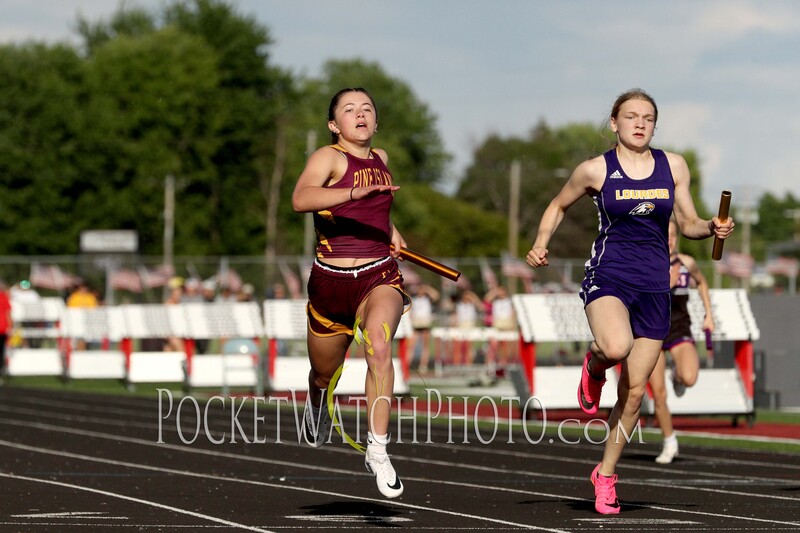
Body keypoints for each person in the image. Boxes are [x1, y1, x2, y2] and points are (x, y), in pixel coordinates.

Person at [525, 88, 734, 515]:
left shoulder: (673, 166)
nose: (640, 123)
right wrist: (540, 242)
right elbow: (557, 204)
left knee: (635, 393)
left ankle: (605, 475)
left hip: (655, 286)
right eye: (631, 116)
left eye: (648, 117)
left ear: (655, 125)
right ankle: (594, 364)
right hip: (610, 276)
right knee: (616, 347)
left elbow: (688, 223)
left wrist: (712, 226)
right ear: (614, 123)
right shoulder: (595, 170)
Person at [291, 87, 409, 499]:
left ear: (376, 121)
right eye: (349, 110)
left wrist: (393, 232)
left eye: (367, 109)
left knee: (379, 345)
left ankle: (378, 448)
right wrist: (352, 193)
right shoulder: (329, 157)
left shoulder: (382, 160)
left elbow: (378, 211)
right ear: (333, 124)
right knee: (324, 371)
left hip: (378, 275)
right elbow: (301, 198)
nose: (360, 115)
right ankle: (319, 397)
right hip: (329, 283)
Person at [649, 219, 715, 464]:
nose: (669, 240)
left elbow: (702, 282)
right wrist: (666, 284)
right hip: (651, 330)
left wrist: (709, 314)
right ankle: (669, 441)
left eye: (673, 235)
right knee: (658, 394)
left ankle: (676, 375)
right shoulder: (647, 264)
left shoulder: (686, 263)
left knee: (689, 377)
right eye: (665, 235)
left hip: (678, 329)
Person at [407, 283, 439, 373]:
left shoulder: (428, 299)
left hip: (425, 323)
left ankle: (423, 365)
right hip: (416, 324)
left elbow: (436, 295)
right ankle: (408, 364)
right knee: (411, 345)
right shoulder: (413, 299)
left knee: (425, 345)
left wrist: (427, 288)